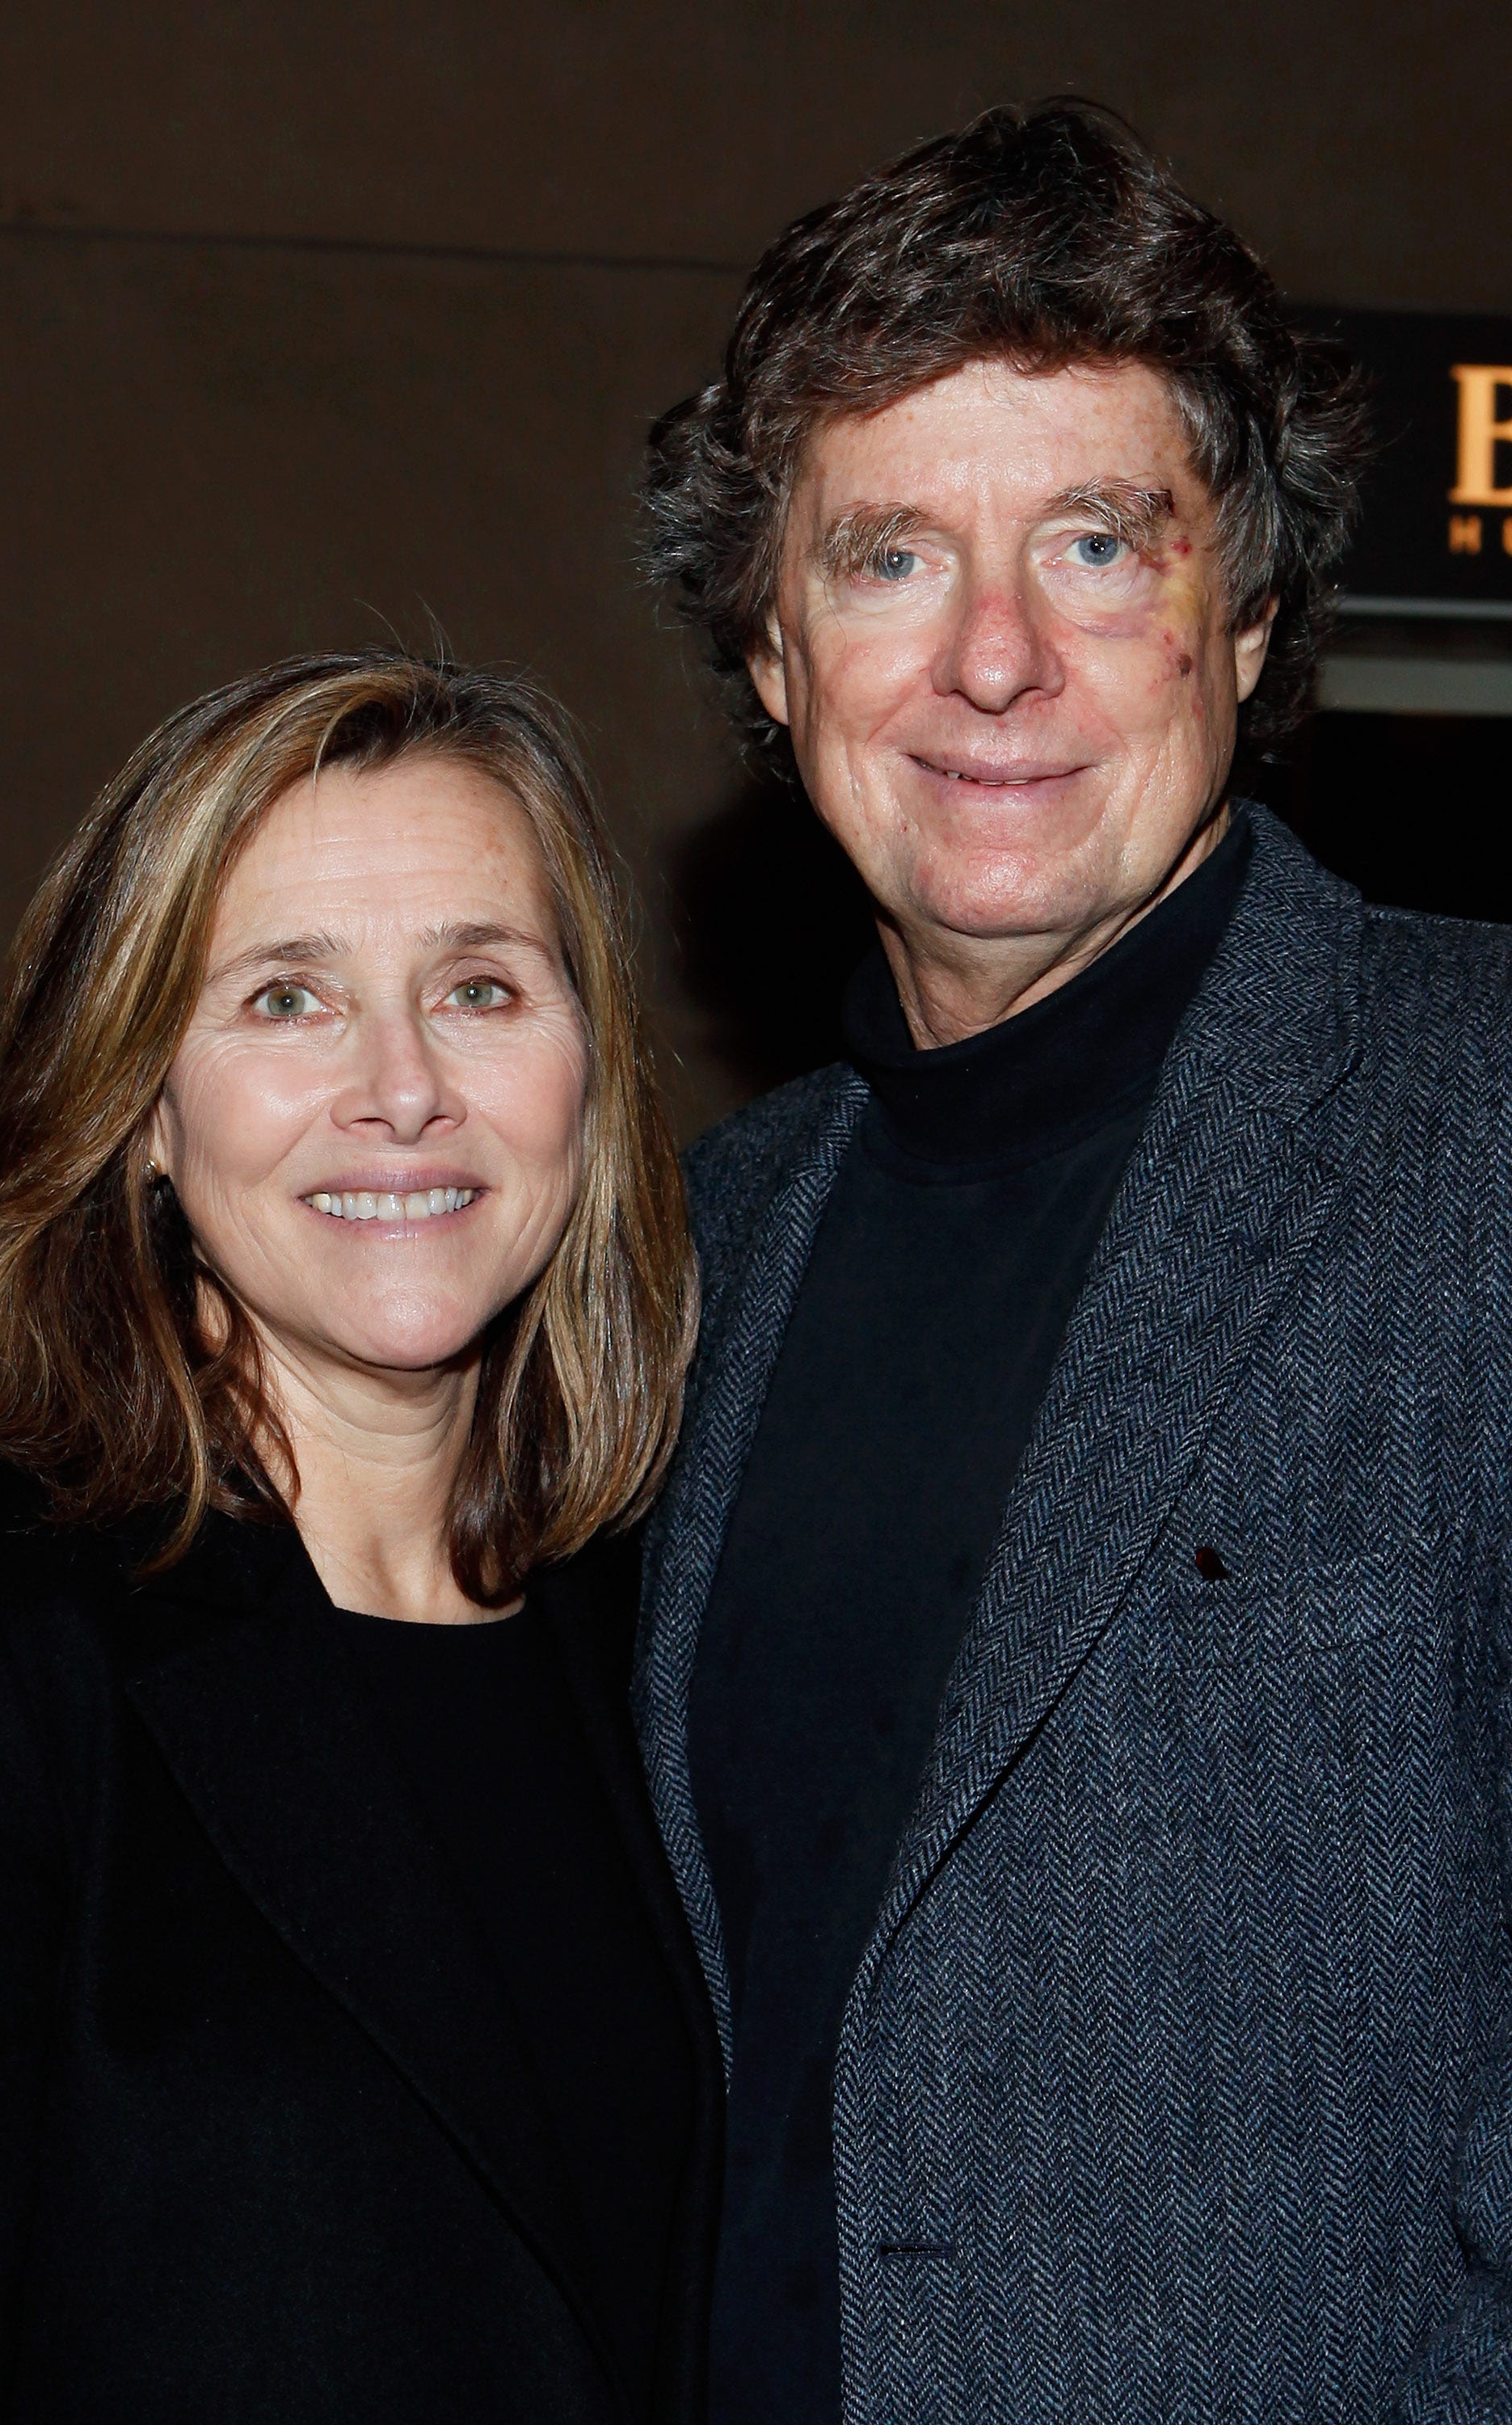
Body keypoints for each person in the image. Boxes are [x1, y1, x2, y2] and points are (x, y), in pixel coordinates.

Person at [638, 99, 1512, 2424]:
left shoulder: (1483, 1124)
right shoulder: (707, 1241)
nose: (995, 660)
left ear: (1243, 615)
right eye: (891, 558)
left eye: (1100, 545)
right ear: (768, 651)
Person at [0, 650, 722, 2423]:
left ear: (587, 1074)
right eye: (287, 1001)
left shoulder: (676, 1622)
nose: (403, 1088)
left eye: (482, 988)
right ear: (139, 1111)